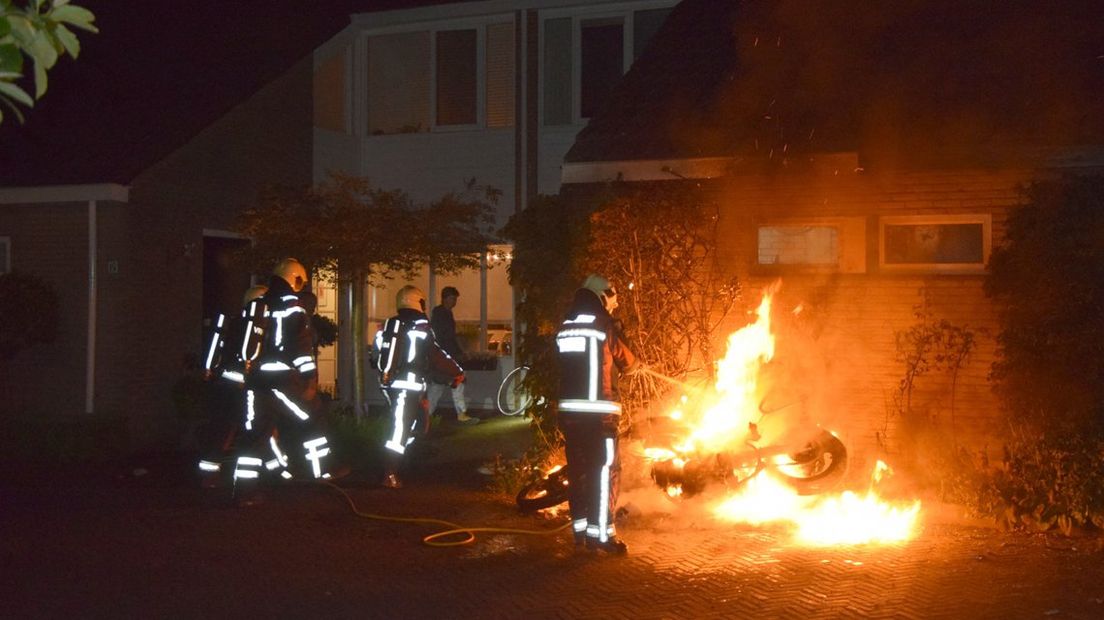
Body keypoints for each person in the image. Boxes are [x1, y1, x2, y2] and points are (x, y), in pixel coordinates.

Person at [232, 259, 338, 500]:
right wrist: (310, 378)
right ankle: (321, 472)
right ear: (295, 279)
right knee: (313, 418)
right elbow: (300, 347)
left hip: (256, 381)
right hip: (282, 380)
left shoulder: (257, 305)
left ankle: (244, 494)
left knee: (256, 434)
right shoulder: (293, 306)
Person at [555, 274, 640, 554]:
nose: (612, 308)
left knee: (578, 472)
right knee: (604, 473)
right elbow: (627, 360)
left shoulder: (566, 327)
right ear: (602, 296)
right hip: (599, 416)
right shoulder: (604, 324)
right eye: (611, 302)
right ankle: (602, 537)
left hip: (570, 415)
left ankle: (580, 533)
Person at [375, 285, 463, 489]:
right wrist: (455, 371)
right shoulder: (420, 326)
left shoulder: (390, 325)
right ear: (418, 302)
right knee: (400, 429)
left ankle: (399, 465)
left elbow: (378, 355)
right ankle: (389, 473)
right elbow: (434, 355)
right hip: (409, 385)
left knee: (415, 425)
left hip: (392, 384)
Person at [196, 284, 267, 486]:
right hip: (239, 388)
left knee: (224, 430)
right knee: (247, 430)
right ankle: (219, 477)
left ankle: (209, 475)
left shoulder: (235, 322)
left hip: (223, 384)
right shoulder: (254, 327)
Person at [428, 286, 478, 425]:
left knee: (438, 386)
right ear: (445, 298)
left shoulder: (441, 313)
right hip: (445, 356)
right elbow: (447, 337)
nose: (454, 301)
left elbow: (446, 337)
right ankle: (460, 413)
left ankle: (427, 415)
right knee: (456, 382)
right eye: (452, 298)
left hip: (441, 356)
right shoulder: (443, 314)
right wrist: (458, 353)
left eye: (455, 299)